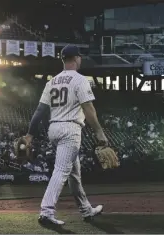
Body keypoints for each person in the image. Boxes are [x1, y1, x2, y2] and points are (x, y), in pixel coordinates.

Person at [23, 45, 108, 225]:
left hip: (54, 129)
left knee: (74, 174)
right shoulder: (80, 80)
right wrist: (99, 132)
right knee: (61, 171)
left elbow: (40, 110)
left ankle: (86, 210)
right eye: (80, 57)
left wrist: (30, 134)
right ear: (76, 58)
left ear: (63, 59)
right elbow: (89, 109)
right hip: (70, 129)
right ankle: (46, 211)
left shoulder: (51, 82)